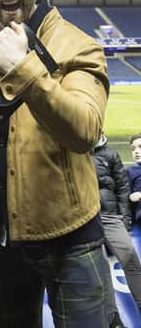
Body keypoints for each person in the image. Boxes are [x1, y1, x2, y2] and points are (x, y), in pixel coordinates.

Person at [0, 0, 111, 327]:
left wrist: (21, 68)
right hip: (1, 241)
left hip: (70, 236)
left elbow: (85, 130)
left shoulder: (77, 44)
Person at [94, 133, 141, 326]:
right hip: (85, 219)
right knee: (99, 266)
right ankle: (113, 318)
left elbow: (122, 188)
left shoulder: (110, 154)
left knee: (129, 256)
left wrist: (125, 220)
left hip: (111, 217)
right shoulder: (73, 151)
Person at [128, 133, 141, 225]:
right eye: (133, 149)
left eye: (140, 147)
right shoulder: (130, 172)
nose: (136, 151)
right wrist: (130, 197)